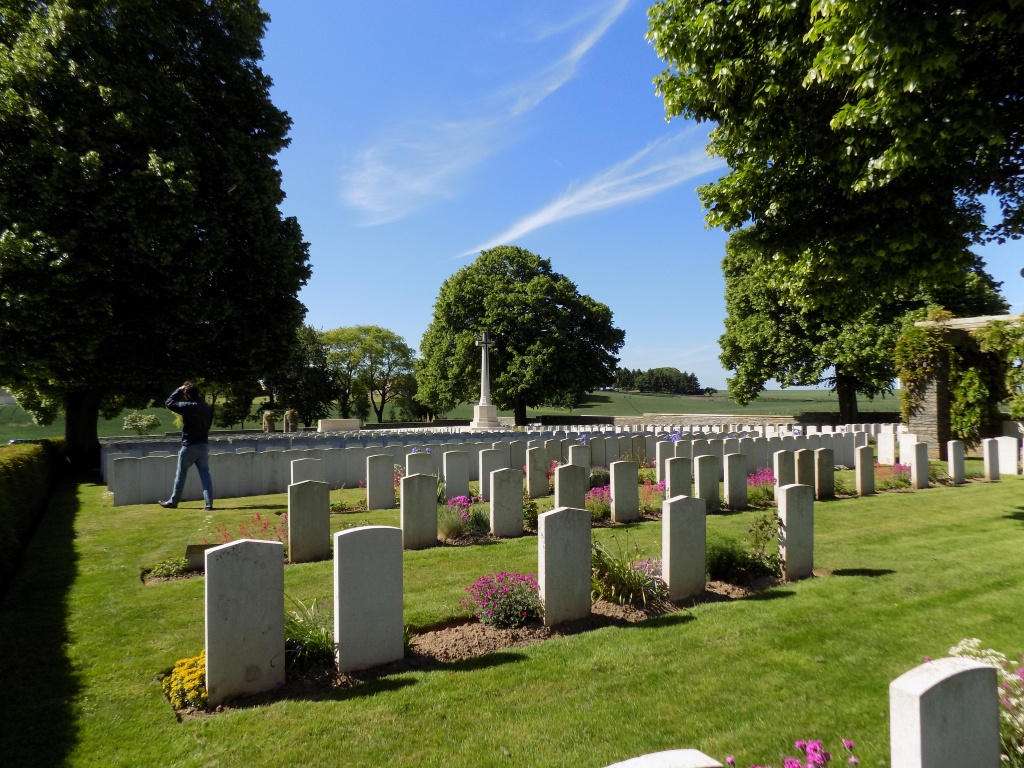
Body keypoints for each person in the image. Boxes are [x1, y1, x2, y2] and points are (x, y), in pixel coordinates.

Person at [159, 381, 214, 510]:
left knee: (181, 474)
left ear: (187, 395)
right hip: (203, 444)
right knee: (205, 475)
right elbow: (208, 424)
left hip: (189, 445)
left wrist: (179, 389)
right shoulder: (207, 407)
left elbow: (169, 403)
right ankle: (209, 504)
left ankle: (173, 501)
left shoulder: (188, 406)